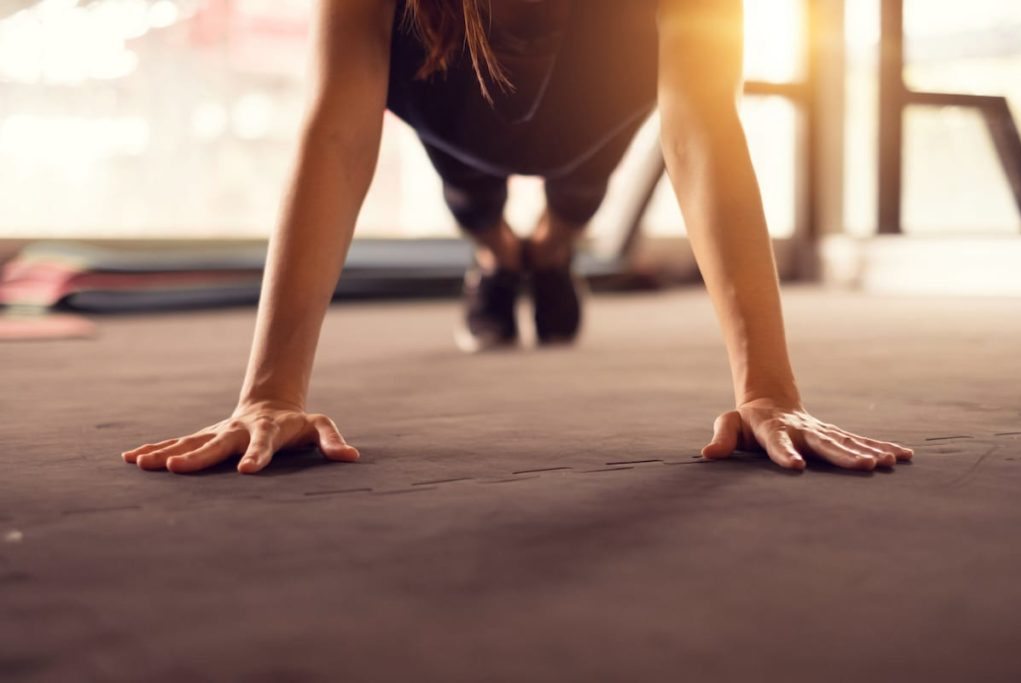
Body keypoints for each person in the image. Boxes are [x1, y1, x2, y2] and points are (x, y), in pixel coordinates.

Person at [122, 0, 914, 475]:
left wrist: (769, 389)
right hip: (447, 86)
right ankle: (500, 253)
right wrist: (269, 391)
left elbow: (701, 129)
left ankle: (553, 248)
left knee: (576, 194)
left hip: (595, 102)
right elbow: (336, 132)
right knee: (473, 197)